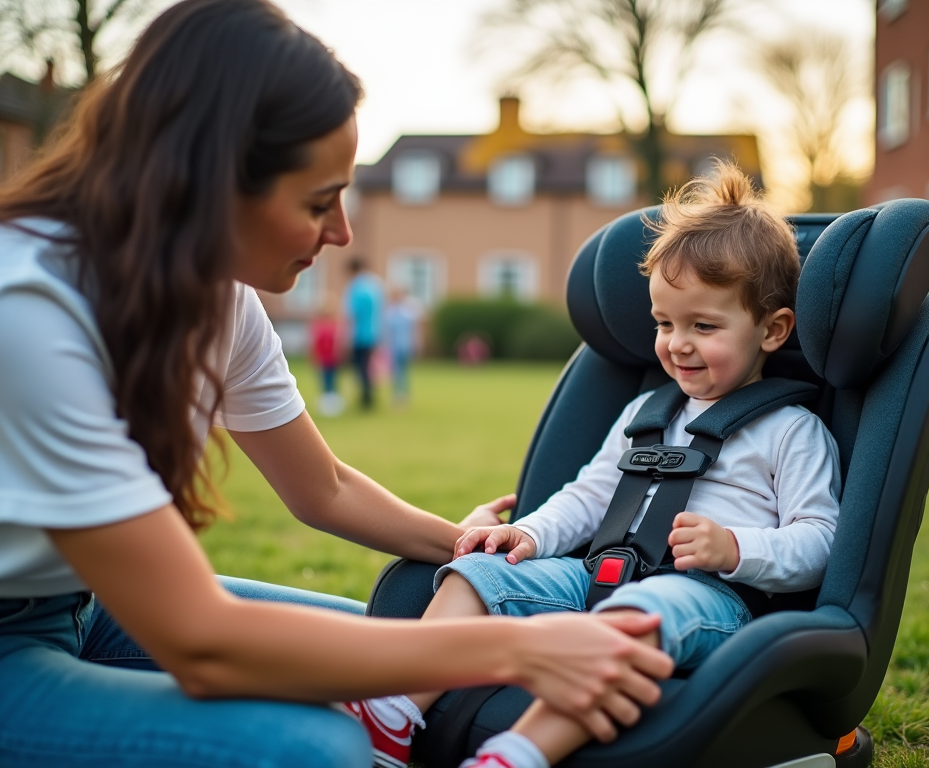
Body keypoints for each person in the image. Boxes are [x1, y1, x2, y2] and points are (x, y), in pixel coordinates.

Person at [0, 2, 675, 767]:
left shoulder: (217, 299)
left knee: (382, 675)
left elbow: (321, 486)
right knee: (317, 747)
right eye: (319, 201)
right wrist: (520, 646)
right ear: (208, 182)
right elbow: (202, 642)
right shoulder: (30, 309)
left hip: (86, 608)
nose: (344, 233)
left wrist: (479, 546)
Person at [346, 162, 843, 768]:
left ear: (773, 330)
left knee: (639, 613)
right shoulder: (645, 411)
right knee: (477, 573)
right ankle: (393, 715)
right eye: (664, 323)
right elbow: (589, 497)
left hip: (706, 602)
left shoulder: (792, 430)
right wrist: (526, 534)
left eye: (703, 326)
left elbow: (820, 540)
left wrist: (734, 548)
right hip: (596, 576)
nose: (677, 343)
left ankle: (520, 752)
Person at [344, 258, 384, 409]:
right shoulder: (376, 285)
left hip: (359, 335)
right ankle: (370, 396)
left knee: (360, 367)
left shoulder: (355, 287)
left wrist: (346, 336)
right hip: (374, 333)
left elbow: (352, 313)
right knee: (370, 367)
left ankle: (365, 398)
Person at [384, 286, 421, 406]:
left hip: (404, 345)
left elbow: (414, 330)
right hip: (392, 346)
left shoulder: (407, 311)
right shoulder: (389, 311)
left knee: (402, 371)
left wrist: (416, 344)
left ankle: (402, 395)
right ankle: (398, 394)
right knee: (395, 372)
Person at [310, 310, 345, 416]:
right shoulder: (319, 327)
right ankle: (327, 402)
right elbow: (316, 344)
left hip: (332, 359)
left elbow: (338, 343)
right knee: (326, 379)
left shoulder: (334, 327)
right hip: (324, 358)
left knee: (332, 380)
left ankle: (332, 402)